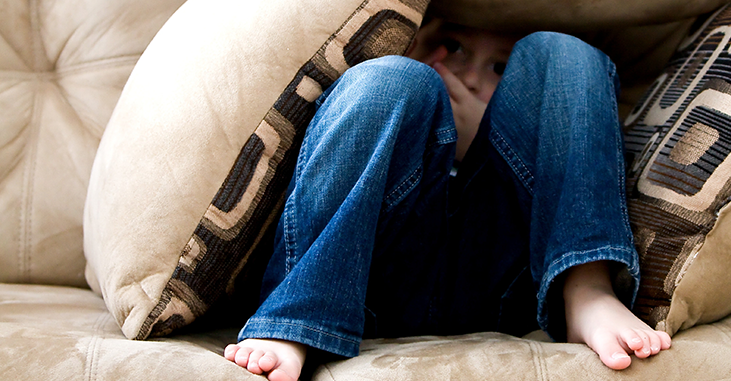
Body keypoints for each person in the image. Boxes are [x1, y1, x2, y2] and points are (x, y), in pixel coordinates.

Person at [224, 19, 671, 381]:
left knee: (564, 51)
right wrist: (429, 115)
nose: (472, 76)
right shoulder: (413, 88)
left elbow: (547, 125)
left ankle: (586, 286)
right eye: (455, 48)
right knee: (388, 80)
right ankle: (299, 318)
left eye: (501, 68)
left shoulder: (531, 109)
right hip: (371, 280)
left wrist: (484, 139)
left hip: (507, 281)